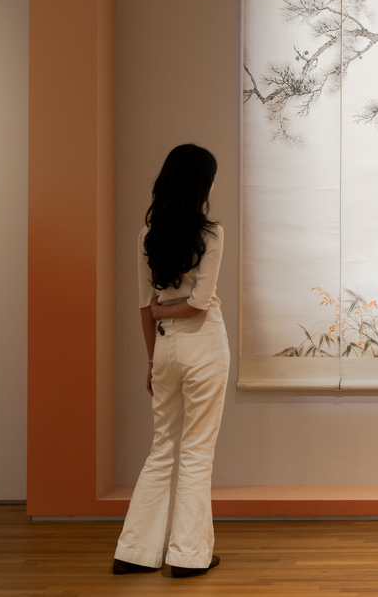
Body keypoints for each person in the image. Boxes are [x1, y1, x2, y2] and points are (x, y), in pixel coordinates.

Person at [113, 144, 229, 577]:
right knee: (197, 452)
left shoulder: (148, 235)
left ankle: (134, 551)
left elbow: (145, 306)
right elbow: (199, 304)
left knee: (162, 447)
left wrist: (152, 359)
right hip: (204, 346)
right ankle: (187, 555)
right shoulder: (211, 233)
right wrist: (169, 311)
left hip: (164, 348)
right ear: (200, 184)